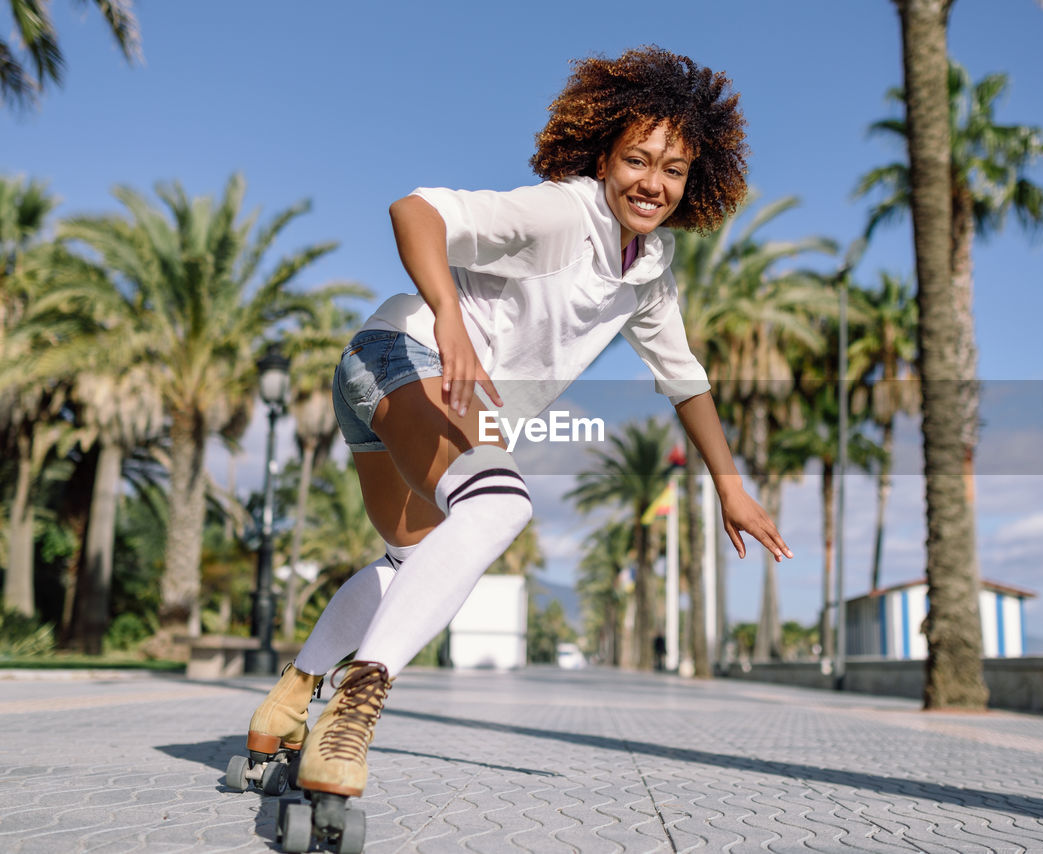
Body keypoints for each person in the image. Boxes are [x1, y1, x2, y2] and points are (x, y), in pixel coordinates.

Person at [240, 46, 792, 813]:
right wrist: (449, 316)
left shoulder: (649, 273)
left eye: (673, 170)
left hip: (386, 385)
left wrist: (731, 488)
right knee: (501, 504)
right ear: (603, 155)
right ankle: (354, 711)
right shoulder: (564, 211)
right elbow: (416, 211)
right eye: (637, 159)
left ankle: (290, 698)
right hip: (402, 354)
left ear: (695, 180)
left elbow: (685, 379)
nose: (652, 184)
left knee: (413, 562)